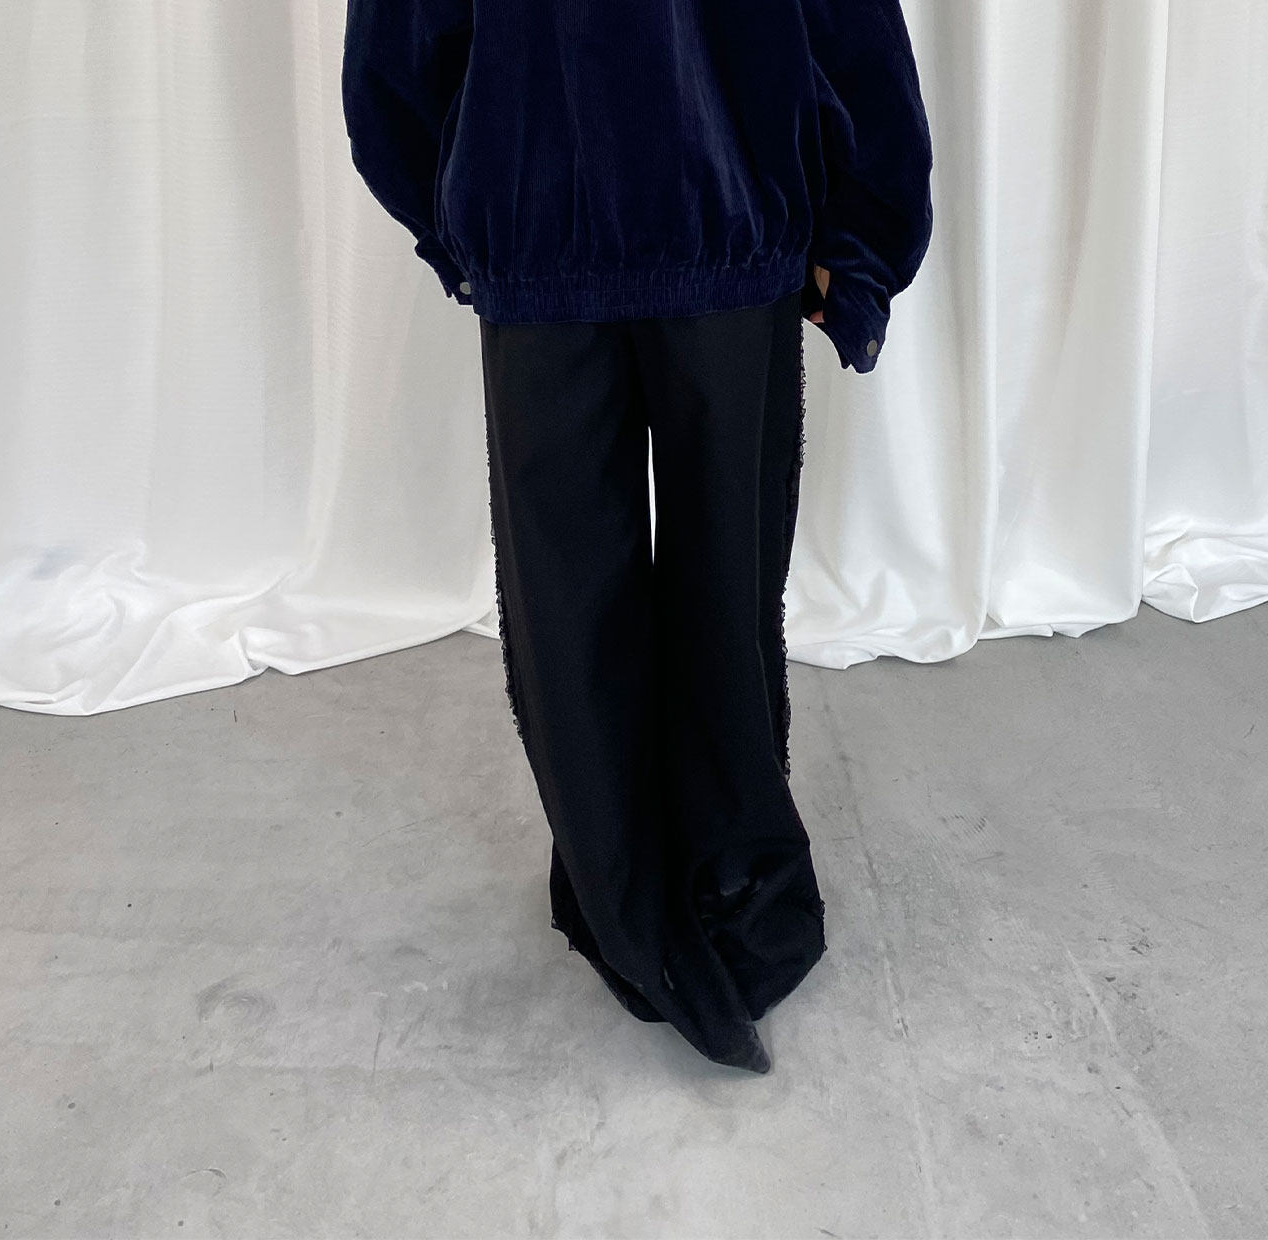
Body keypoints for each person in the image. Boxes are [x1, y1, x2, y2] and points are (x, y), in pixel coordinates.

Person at [342, 0, 933, 1074]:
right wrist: (860, 231)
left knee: (612, 597)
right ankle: (699, 890)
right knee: (673, 591)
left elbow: (397, 48)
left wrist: (461, 203)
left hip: (621, 220)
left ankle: (649, 890)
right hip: (693, 214)